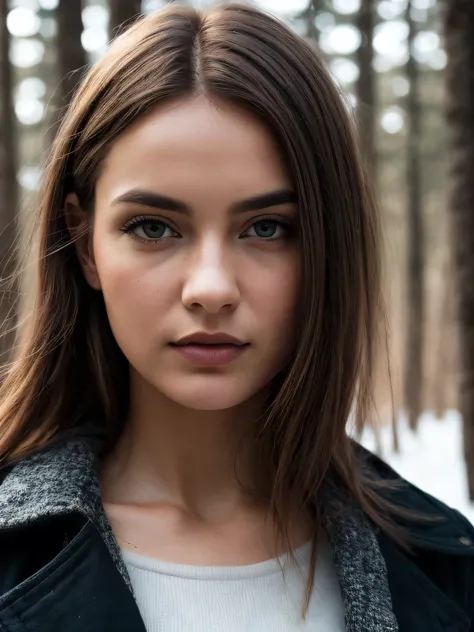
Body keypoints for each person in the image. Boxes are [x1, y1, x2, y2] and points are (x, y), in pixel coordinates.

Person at [0, 3, 471, 630]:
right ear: (85, 246)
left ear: (329, 247)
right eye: (153, 227)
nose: (212, 289)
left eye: (268, 228)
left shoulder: (445, 570)